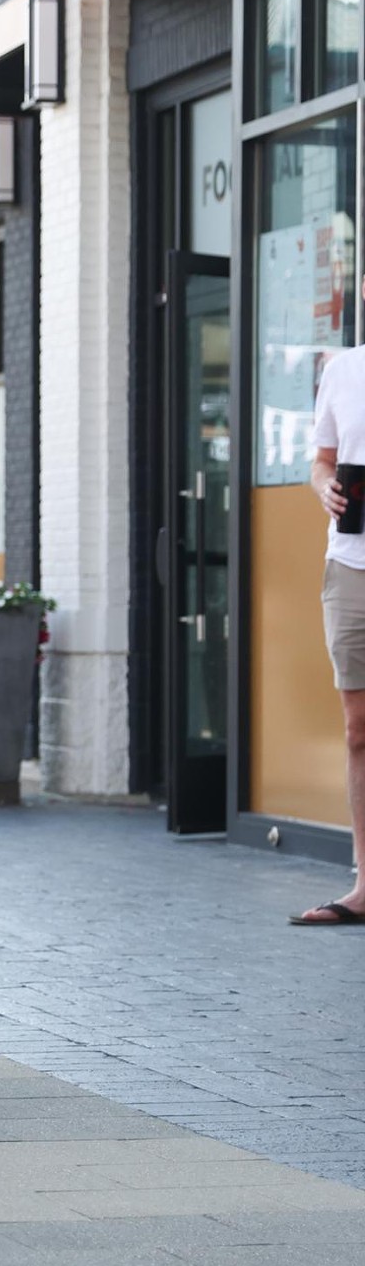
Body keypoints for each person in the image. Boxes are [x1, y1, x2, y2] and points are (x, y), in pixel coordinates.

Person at [293, 334, 365, 924]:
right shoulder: (342, 371)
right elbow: (321, 461)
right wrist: (327, 490)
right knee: (357, 730)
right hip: (350, 566)